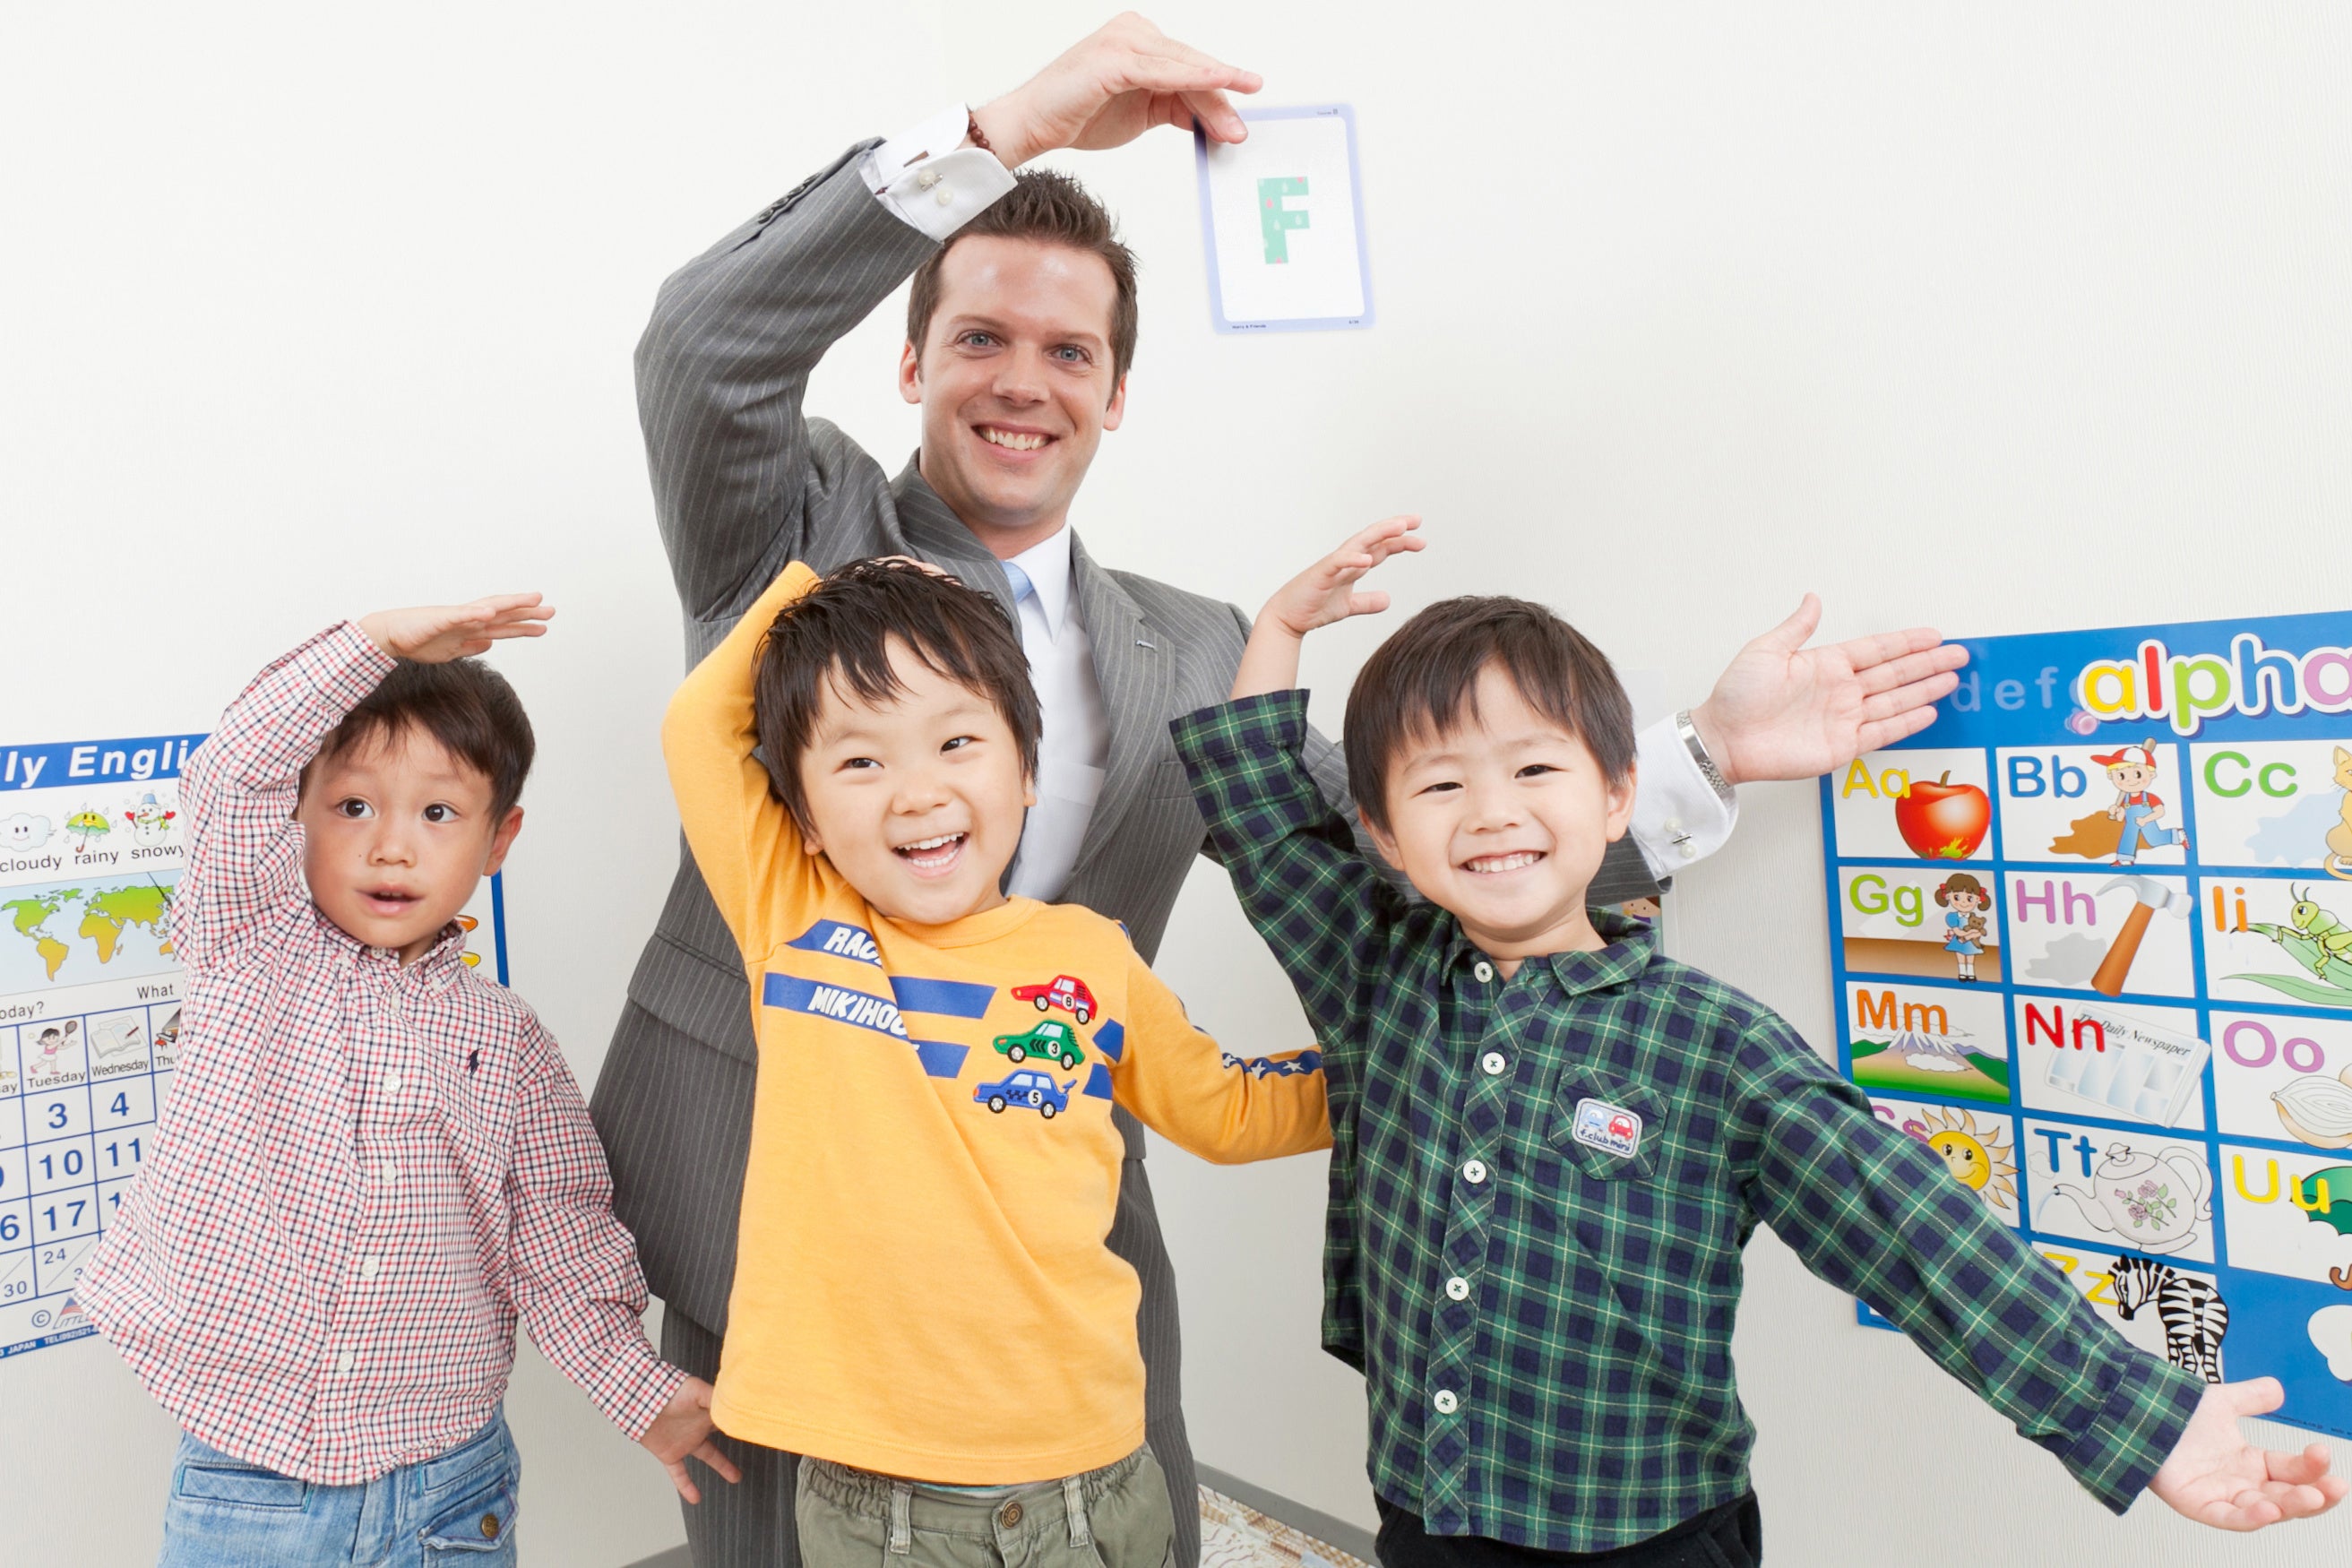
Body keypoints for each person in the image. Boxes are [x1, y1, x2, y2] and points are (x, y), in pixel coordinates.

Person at [593, 17, 1968, 1565]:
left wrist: (1705, 750)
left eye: (1070, 352)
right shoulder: (798, 532)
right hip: (775, 1200)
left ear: (1117, 394)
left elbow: (1409, 849)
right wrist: (1014, 123)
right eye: (980, 338)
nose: (1023, 382)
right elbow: (703, 348)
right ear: (911, 363)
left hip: (1056, 1223)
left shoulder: (1192, 647)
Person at [1169, 517, 2347, 1567]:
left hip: (1652, 1535)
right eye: (1440, 787)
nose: (1492, 811)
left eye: (1534, 767)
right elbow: (1262, 812)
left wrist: (2147, 1422)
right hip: (1429, 1512)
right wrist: (1279, 627)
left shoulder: (1714, 1045)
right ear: (1381, 830)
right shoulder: (1374, 971)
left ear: (1617, 793)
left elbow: (1914, 1233)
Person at [663, 555, 1330, 1567]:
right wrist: (829, 584)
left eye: (956, 742)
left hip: (1090, 1487)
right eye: (860, 762)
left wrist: (1403, 1067)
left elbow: (1228, 1109)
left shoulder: (1089, 956)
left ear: (1025, 772)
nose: (916, 793)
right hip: (873, 1508)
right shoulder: (795, 920)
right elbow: (694, 727)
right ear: (803, 819)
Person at [78, 596, 737, 1567]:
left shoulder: (508, 1041)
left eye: (438, 813)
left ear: (498, 840)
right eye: (353, 807)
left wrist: (641, 1394)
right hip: (251, 1479)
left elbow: (560, 1236)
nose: (392, 846)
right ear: (297, 815)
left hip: (451, 1486)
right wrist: (377, 643)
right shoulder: (248, 944)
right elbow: (233, 770)